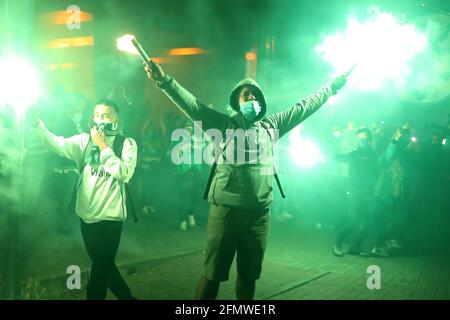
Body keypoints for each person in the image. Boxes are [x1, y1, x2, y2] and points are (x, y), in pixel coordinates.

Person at [144, 61, 349, 300]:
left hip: (259, 216)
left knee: (249, 276)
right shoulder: (222, 125)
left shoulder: (272, 125)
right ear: (237, 102)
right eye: (246, 95)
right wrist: (163, 80)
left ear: (261, 102)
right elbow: (191, 105)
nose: (251, 97)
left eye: (255, 95)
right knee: (213, 275)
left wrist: (331, 88)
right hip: (226, 214)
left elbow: (304, 107)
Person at [28, 99, 138, 300]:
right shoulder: (84, 141)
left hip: (111, 219)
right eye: (97, 115)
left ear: (116, 118)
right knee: (104, 267)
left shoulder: (127, 143)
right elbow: (58, 144)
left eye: (106, 116)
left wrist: (103, 146)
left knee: (100, 270)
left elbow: (123, 173)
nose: (100, 119)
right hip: (87, 218)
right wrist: (37, 125)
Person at [332, 127, 378, 257]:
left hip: (367, 194)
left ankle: (355, 246)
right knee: (353, 220)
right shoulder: (354, 154)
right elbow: (338, 157)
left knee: (368, 221)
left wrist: (373, 189)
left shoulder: (373, 155)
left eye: (366, 138)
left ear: (370, 140)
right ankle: (337, 244)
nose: (364, 140)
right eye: (361, 138)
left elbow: (375, 172)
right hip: (354, 192)